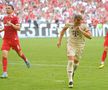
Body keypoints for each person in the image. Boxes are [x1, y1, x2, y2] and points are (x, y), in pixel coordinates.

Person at [57, 14, 92, 88]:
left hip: (80, 46)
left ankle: (72, 72)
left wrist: (81, 30)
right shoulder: (69, 24)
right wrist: (59, 41)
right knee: (70, 61)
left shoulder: (84, 26)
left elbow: (90, 36)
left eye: (81, 20)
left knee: (76, 62)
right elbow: (63, 31)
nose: (80, 22)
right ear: (74, 20)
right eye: (78, 20)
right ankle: (70, 81)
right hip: (70, 45)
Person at [0, 4, 30, 78]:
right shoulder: (5, 18)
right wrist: (1, 30)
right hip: (6, 39)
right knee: (4, 55)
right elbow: (6, 28)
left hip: (14, 40)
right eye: (6, 8)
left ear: (12, 10)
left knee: (20, 54)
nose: (7, 9)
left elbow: (18, 28)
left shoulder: (15, 18)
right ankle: (5, 73)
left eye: (9, 8)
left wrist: (11, 24)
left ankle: (25, 60)